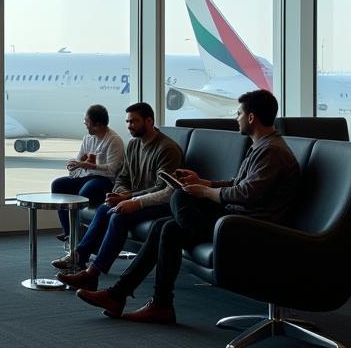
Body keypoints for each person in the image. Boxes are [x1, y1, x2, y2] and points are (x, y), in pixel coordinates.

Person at [77, 89, 300, 324]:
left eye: (239, 113)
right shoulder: (262, 146)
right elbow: (239, 184)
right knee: (167, 227)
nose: (237, 118)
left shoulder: (271, 152)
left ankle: (142, 290)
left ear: (252, 117)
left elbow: (246, 193)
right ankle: (136, 299)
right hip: (235, 217)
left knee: (177, 200)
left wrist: (205, 191)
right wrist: (205, 182)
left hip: (248, 226)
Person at [53, 102, 182, 287]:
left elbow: (163, 189)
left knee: (117, 215)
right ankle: (79, 256)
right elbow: (122, 177)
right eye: (128, 122)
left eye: (134, 122)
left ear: (149, 121)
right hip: (133, 197)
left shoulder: (166, 149)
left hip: (158, 203)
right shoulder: (134, 145)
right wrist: (121, 194)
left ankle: (92, 272)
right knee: (105, 208)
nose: (129, 126)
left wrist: (128, 198)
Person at [50, 104, 124, 243]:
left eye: (87, 123)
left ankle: (79, 231)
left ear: (98, 125)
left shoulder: (114, 141)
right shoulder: (88, 138)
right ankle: (69, 231)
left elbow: (112, 169)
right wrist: (74, 165)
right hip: (87, 176)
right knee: (58, 185)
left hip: (104, 179)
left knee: (86, 190)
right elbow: (79, 161)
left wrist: (90, 165)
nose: (85, 125)